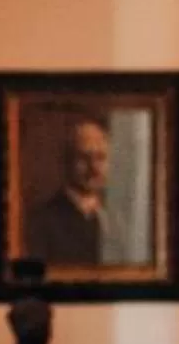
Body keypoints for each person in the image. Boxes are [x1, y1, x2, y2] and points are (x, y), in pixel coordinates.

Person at [22, 112, 114, 268]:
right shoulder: (42, 221)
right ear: (67, 161)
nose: (94, 167)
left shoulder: (115, 221)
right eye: (84, 158)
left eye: (101, 158)